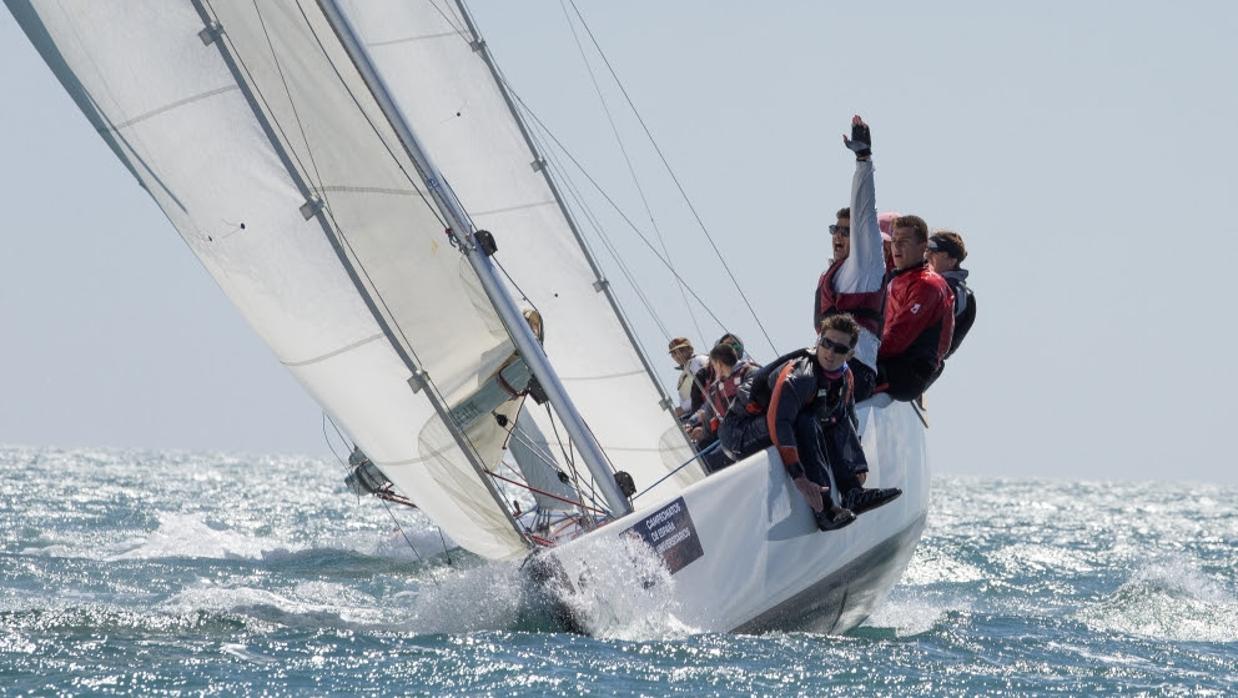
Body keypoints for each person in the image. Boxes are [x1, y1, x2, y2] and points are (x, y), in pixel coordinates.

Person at [718, 315, 902, 531]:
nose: (831, 353)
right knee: (806, 420)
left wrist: (855, 464)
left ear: (850, 354)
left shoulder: (845, 377)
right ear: (819, 341)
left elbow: (848, 416)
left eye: (840, 349)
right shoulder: (801, 376)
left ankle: (853, 494)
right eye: (827, 343)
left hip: (775, 421)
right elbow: (781, 421)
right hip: (738, 432)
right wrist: (800, 479)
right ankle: (825, 511)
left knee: (835, 411)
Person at [814, 115, 888, 402]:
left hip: (854, 370)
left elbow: (864, 214)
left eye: (847, 232)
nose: (839, 236)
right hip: (825, 365)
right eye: (836, 230)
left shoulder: (866, 267)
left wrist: (863, 160)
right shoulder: (837, 274)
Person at [876, 215, 955, 401]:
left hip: (907, 373)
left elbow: (898, 337)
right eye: (894, 241)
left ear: (923, 247)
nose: (897, 247)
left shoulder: (928, 285)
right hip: (891, 362)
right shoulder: (898, 279)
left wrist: (859, 354)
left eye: (904, 241)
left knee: (843, 376)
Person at [686, 342, 758, 472]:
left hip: (748, 432)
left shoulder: (749, 372)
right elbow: (706, 409)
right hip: (729, 436)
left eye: (713, 365)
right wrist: (691, 423)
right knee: (694, 455)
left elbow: (747, 399)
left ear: (718, 364)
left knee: (704, 463)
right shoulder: (716, 388)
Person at [926, 230, 975, 358]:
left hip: (918, 360)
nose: (927, 255)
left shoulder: (959, 293)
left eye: (934, 250)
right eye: (926, 249)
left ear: (952, 260)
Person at [668, 337, 708, 420]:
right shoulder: (681, 378)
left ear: (690, 350)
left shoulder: (698, 360)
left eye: (681, 350)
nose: (678, 355)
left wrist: (682, 408)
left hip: (705, 408)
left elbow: (705, 387)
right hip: (692, 413)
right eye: (674, 353)